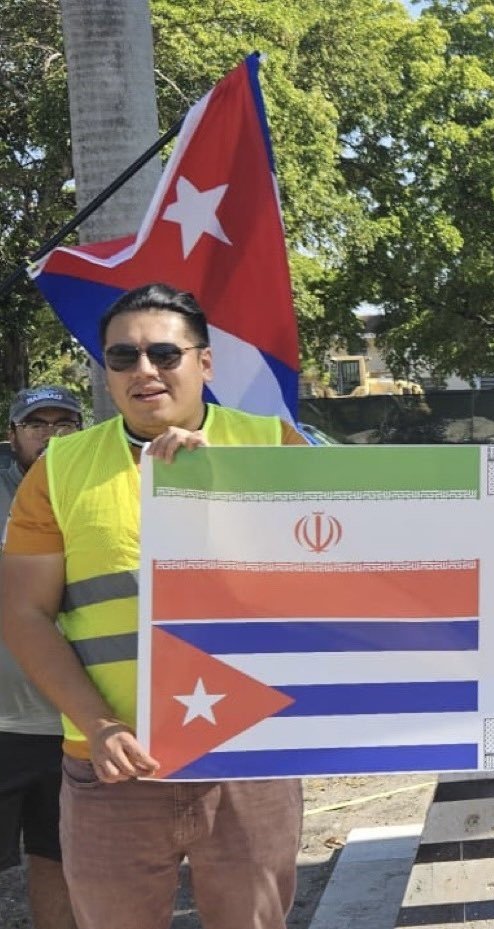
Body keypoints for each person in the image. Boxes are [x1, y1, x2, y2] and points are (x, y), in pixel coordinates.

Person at [0, 283, 310, 929]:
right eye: (122, 357)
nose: (144, 370)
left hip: (248, 755)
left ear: (204, 362)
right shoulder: (58, 469)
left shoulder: (275, 447)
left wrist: (228, 488)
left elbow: (334, 580)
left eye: (165, 352)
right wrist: (100, 724)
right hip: (112, 763)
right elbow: (24, 613)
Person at [2, 385, 82, 929]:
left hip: (75, 723)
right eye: (38, 425)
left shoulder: (103, 491)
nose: (51, 436)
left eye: (64, 424)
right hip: (2, 725)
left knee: (60, 862)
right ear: (14, 436)